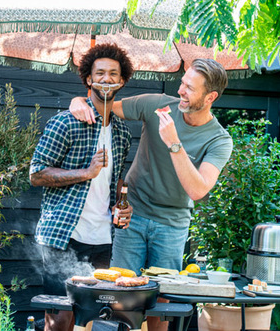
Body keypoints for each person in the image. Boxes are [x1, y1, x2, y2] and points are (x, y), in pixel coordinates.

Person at [70, 58, 233, 331]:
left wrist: (174, 143)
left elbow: (198, 189)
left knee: (162, 301)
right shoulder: (157, 104)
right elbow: (106, 105)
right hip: (133, 214)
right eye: (182, 83)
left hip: (172, 223)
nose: (181, 90)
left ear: (210, 97)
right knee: (118, 294)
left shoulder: (219, 140)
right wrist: (79, 100)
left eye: (190, 88)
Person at [29, 43, 134, 331]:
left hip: (101, 237)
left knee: (91, 318)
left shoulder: (122, 132)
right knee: (61, 317)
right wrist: (85, 172)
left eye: (113, 73)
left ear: (122, 80)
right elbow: (36, 174)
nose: (106, 79)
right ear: (88, 78)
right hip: (63, 234)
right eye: (99, 73)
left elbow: (114, 181)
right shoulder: (66, 122)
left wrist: (120, 206)